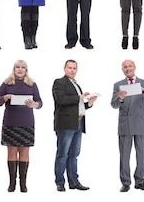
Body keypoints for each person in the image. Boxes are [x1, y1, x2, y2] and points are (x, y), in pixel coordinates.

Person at [110, 59, 144, 192]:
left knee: (142, 154)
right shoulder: (118, 85)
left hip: (141, 123)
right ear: (122, 70)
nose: (127, 68)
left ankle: (140, 181)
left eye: (129, 66)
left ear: (134, 67)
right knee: (124, 156)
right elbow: (113, 105)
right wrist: (120, 98)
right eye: (125, 67)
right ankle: (125, 182)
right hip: (125, 124)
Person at [0, 60, 42, 192]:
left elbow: (40, 102)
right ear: (13, 69)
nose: (20, 70)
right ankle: (12, 183)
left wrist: (35, 105)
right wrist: (5, 97)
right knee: (11, 151)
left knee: (25, 152)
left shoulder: (32, 84)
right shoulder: (7, 83)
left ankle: (23, 183)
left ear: (26, 70)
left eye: (23, 68)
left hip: (27, 123)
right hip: (11, 122)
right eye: (17, 67)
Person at [52, 59, 97, 192]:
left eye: (74, 68)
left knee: (74, 155)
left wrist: (89, 103)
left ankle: (74, 182)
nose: (72, 70)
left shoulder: (76, 84)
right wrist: (79, 97)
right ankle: (60, 182)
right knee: (62, 154)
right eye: (70, 68)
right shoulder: (59, 82)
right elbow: (60, 99)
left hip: (78, 122)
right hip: (65, 124)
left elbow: (77, 106)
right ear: (64, 69)